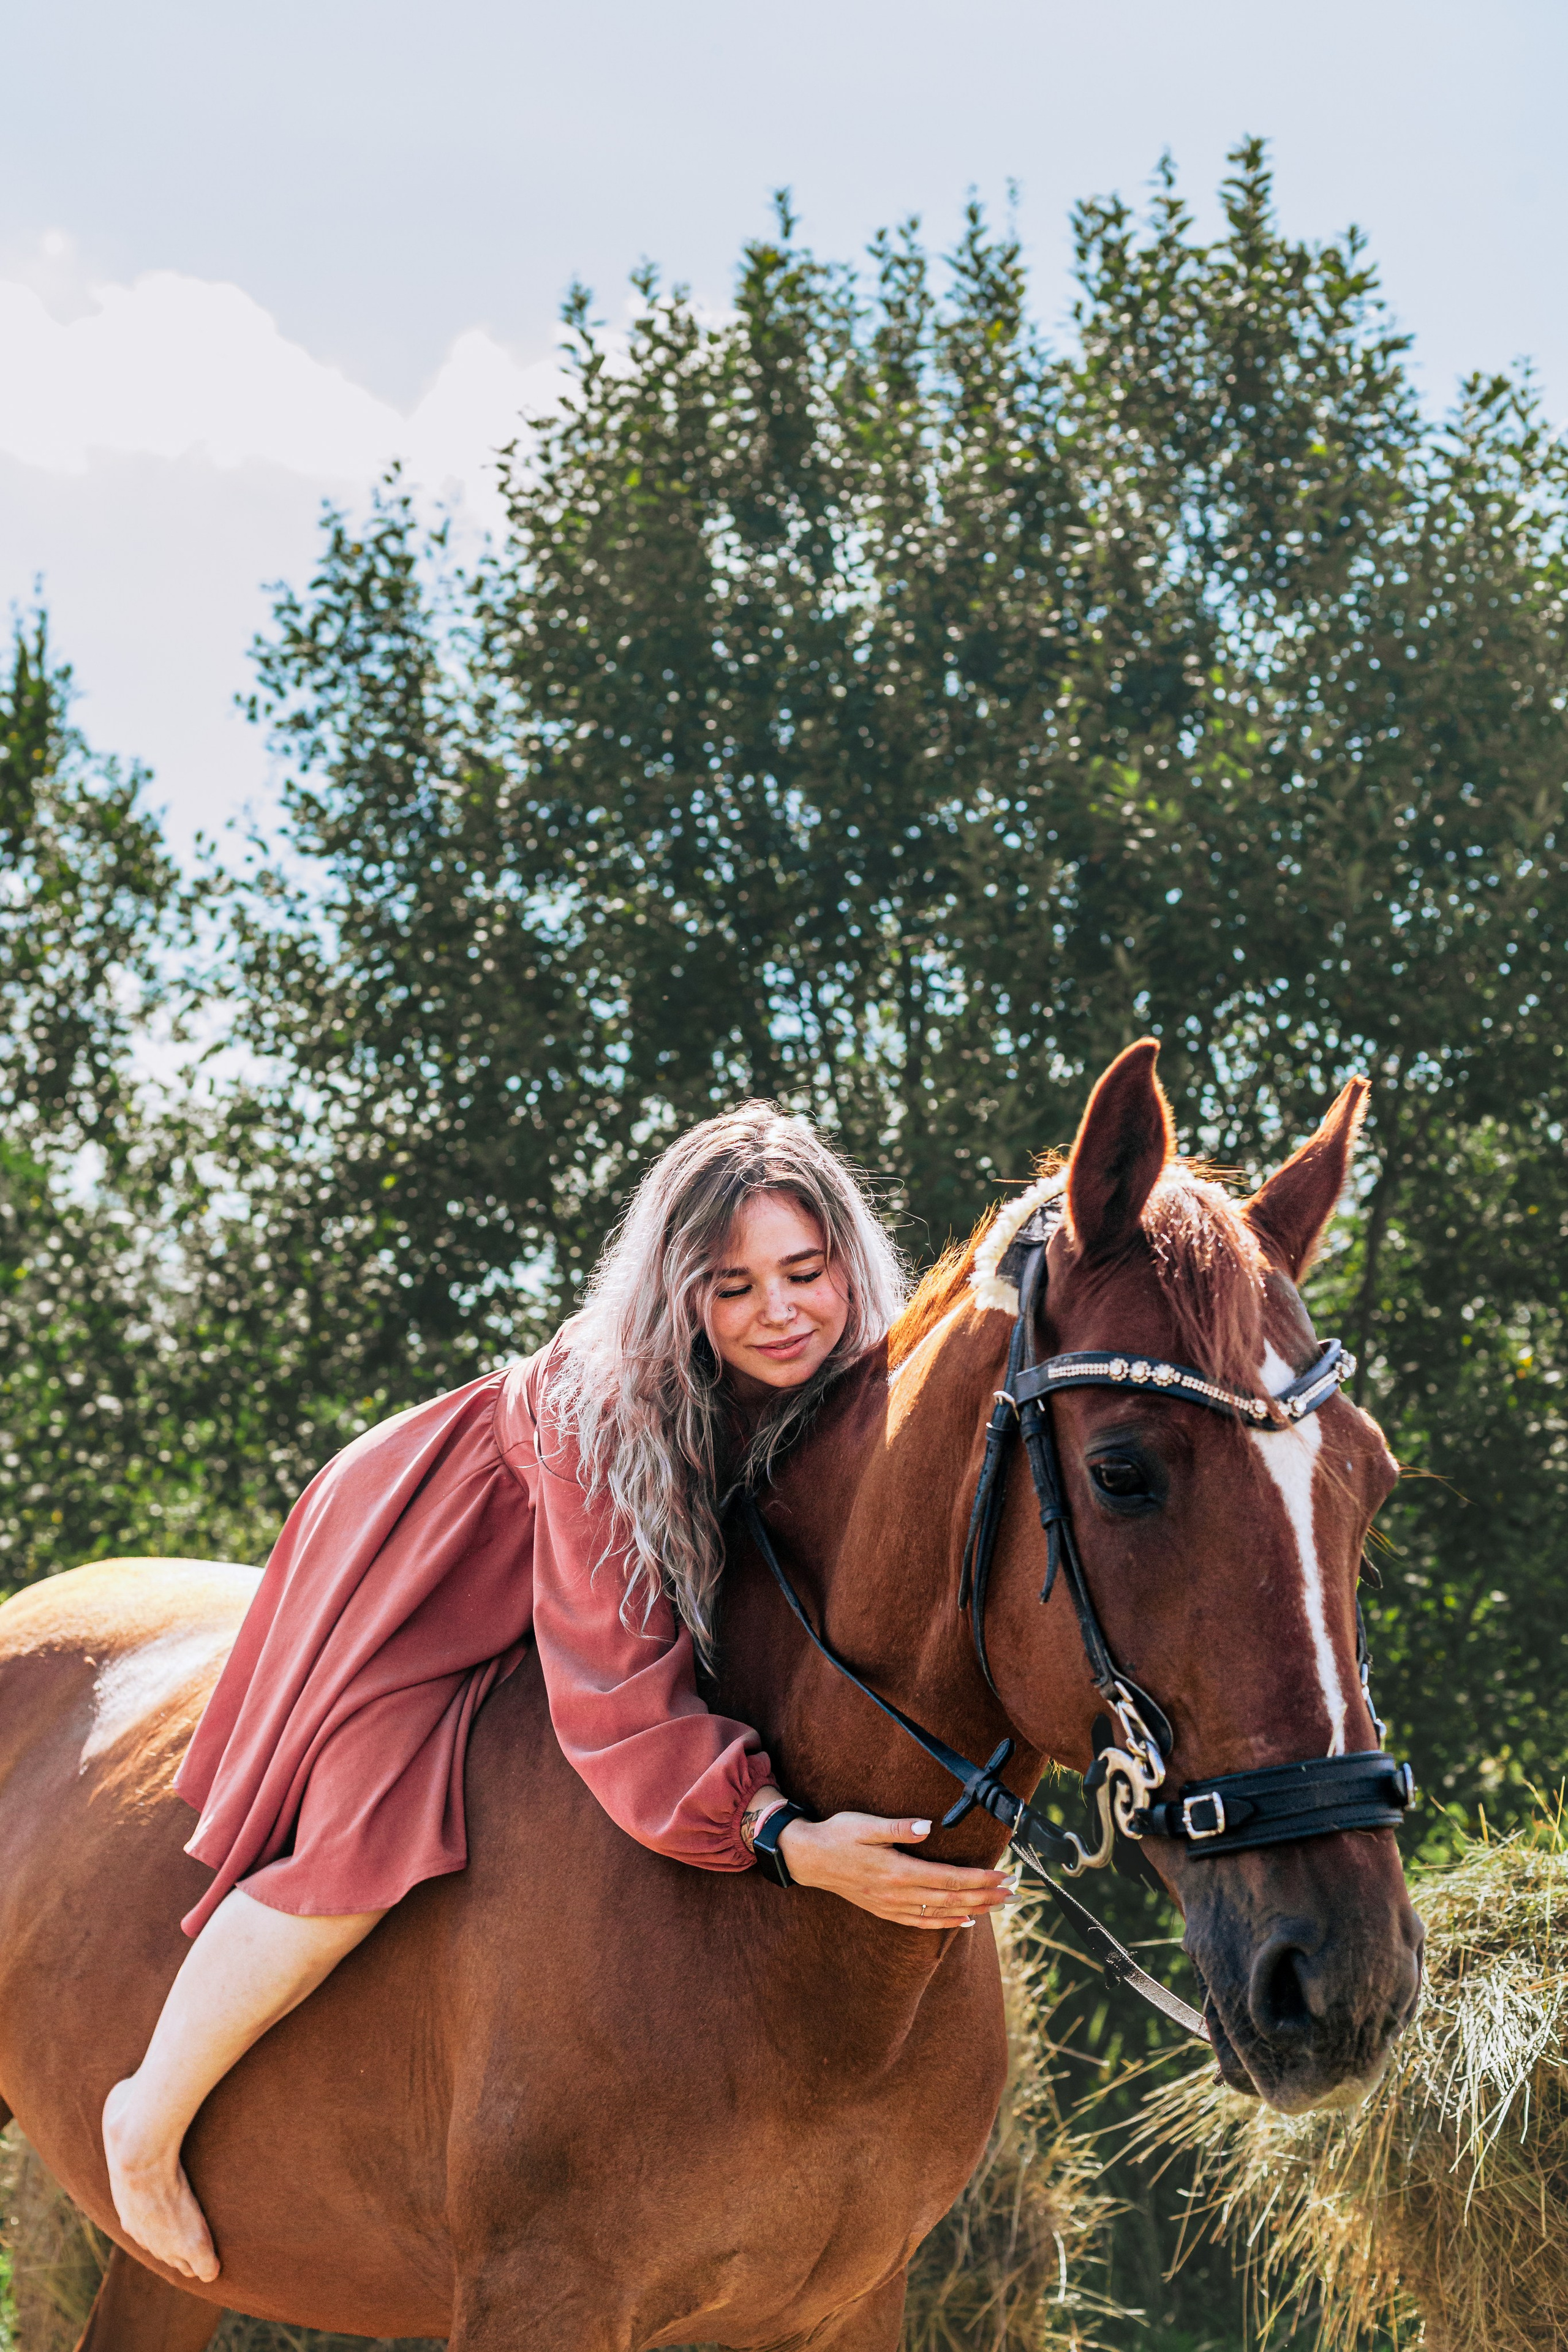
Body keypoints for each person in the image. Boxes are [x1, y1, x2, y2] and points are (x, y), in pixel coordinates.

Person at [103, 1104, 1016, 2283]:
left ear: (849, 1258)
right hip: (441, 1573)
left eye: (804, 1271)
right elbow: (613, 1689)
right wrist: (780, 1836)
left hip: (609, 1587)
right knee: (367, 1829)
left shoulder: (855, 1381)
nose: (778, 1312)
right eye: (731, 1288)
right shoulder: (607, 1412)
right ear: (679, 1295)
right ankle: (147, 2115)